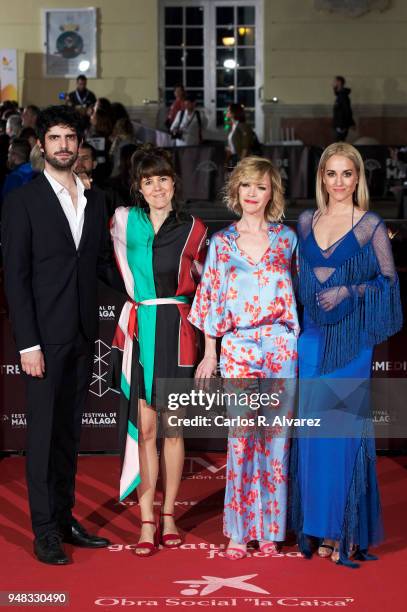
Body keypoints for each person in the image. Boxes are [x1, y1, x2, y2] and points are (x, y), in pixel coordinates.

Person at [1, 105, 116, 565]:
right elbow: (16, 277)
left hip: (83, 334)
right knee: (45, 436)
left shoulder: (96, 199)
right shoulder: (21, 201)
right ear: (41, 146)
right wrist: (27, 343)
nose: (64, 145)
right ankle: (44, 529)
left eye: (71, 137)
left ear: (80, 145)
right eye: (55, 138)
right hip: (42, 341)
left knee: (69, 435)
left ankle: (65, 518)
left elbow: (104, 264)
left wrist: (153, 292)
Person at [291, 142, 402, 567]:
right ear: (321, 178)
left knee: (340, 437)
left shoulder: (370, 225)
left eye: (347, 174)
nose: (339, 182)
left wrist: (351, 290)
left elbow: (389, 285)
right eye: (331, 174)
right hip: (313, 341)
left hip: (352, 344)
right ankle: (316, 526)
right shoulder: (305, 221)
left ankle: (343, 530)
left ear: (358, 178)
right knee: (314, 437)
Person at [188, 156, 299, 559]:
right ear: (236, 191)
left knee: (275, 440)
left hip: (282, 347)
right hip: (237, 347)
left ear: (273, 193)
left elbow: (302, 292)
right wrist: (210, 352)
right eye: (247, 186)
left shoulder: (288, 240)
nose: (254, 194)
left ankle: (269, 527)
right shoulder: (221, 243)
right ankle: (238, 528)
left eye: (262, 187)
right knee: (241, 440)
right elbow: (210, 299)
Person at [109, 144, 207, 557]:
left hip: (180, 333)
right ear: (138, 186)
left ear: (174, 183)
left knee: (172, 430)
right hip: (142, 330)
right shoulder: (122, 222)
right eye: (148, 181)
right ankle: (147, 520)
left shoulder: (196, 229)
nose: (157, 188)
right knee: (146, 429)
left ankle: (169, 516)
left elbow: (207, 288)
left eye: (163, 179)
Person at [332, 76, 355, 142]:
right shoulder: (339, 96)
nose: (332, 84)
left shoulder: (343, 96)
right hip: (338, 125)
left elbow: (347, 111)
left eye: (334, 81)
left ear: (339, 82)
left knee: (339, 145)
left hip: (341, 126)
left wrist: (348, 124)